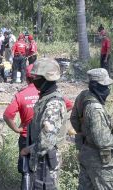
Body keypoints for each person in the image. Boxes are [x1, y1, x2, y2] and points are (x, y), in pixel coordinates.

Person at [21, 58, 67, 189]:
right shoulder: (45, 97)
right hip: (41, 158)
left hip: (46, 160)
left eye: (36, 77)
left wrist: (27, 150)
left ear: (46, 78)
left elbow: (46, 141)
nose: (34, 79)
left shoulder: (53, 103)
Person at [70, 68, 113, 190]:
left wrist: (86, 132)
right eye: (104, 86)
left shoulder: (83, 96)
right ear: (95, 86)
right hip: (101, 162)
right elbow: (103, 141)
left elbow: (74, 119)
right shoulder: (95, 109)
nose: (107, 90)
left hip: (86, 154)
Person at [3, 64, 39, 188]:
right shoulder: (48, 92)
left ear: (27, 78)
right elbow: (68, 105)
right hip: (44, 137)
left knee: (26, 171)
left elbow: (7, 115)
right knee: (44, 170)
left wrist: (16, 129)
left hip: (26, 138)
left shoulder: (21, 95)